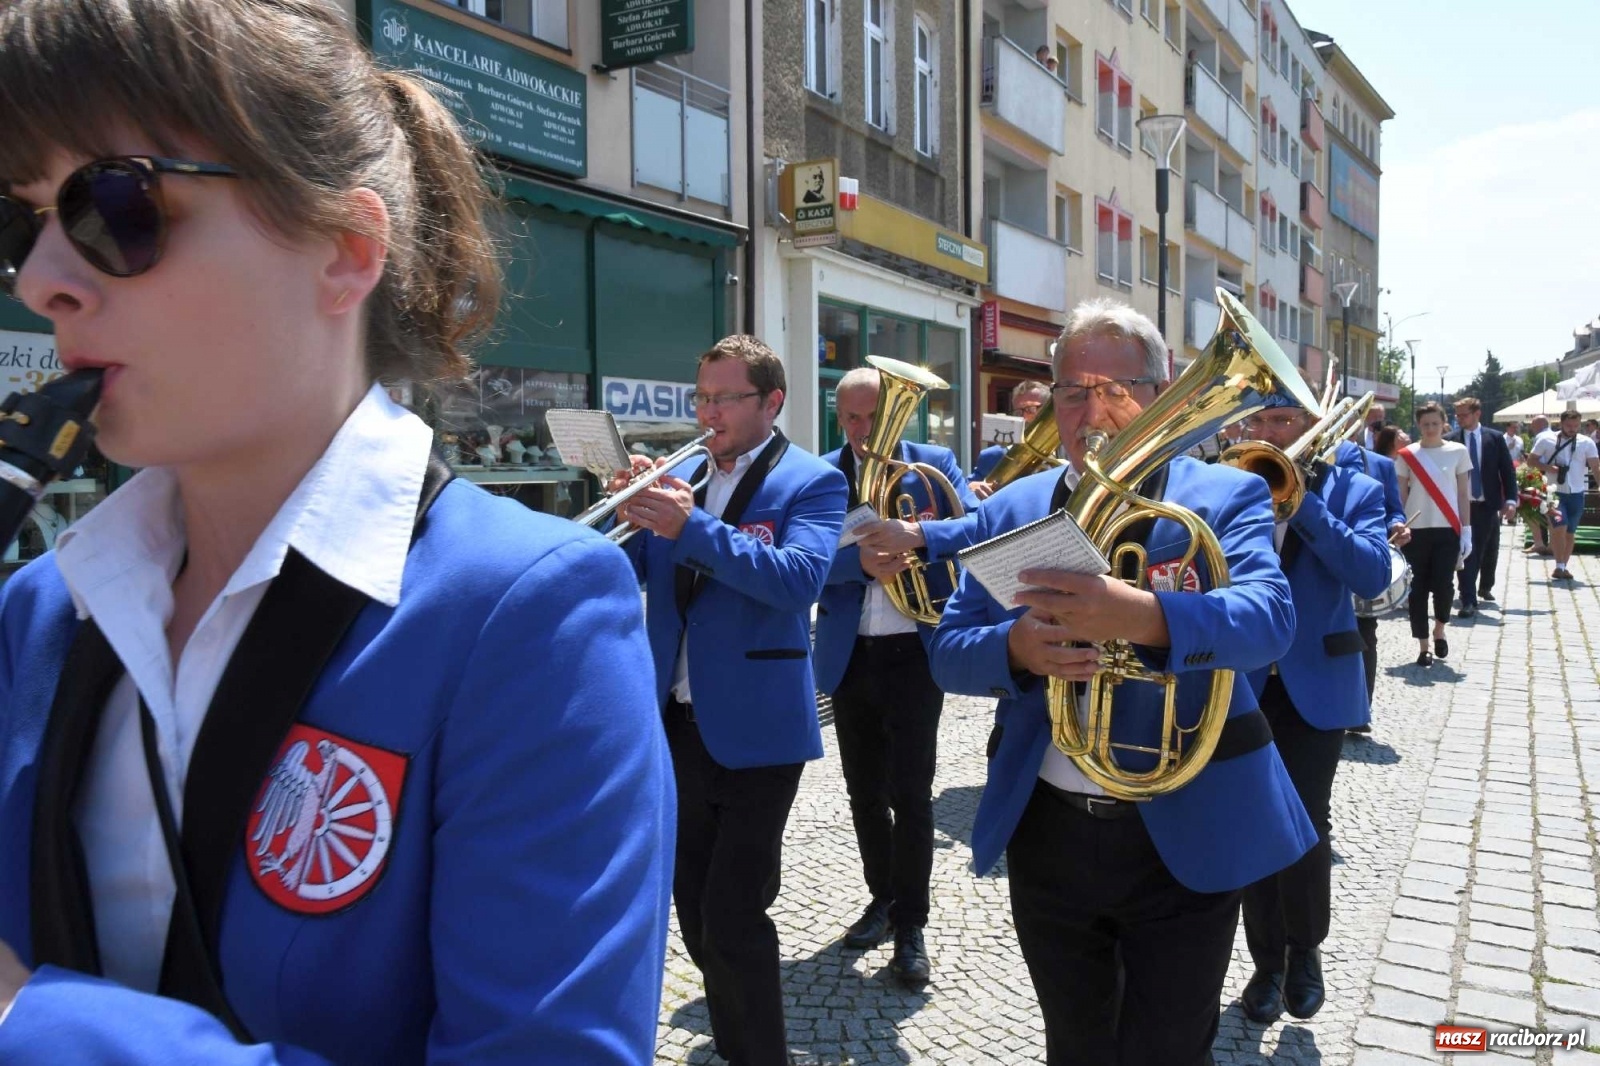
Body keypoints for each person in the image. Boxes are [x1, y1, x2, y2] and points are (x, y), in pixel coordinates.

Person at [0, 1, 673, 1063]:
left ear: (346, 250)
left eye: (112, 206)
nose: (41, 279)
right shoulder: (35, 611)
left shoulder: (530, 613)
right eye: (21, 219)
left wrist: (29, 1022)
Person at [930, 299, 1316, 1066]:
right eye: (1073, 390)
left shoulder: (1222, 494)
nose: (1093, 408)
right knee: (1073, 1042)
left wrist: (1141, 615)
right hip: (1052, 829)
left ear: (1163, 391)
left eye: (1117, 387)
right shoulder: (1012, 506)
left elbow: (1270, 621)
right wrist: (1014, 648)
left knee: (1169, 1047)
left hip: (1187, 818)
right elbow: (947, 648)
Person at [614, 335, 847, 1066]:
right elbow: (631, 569)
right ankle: (737, 1033)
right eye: (702, 397)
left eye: (724, 398)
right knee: (692, 905)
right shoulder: (684, 474)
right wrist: (629, 507)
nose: (707, 412)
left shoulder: (812, 481)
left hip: (759, 727)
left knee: (735, 913)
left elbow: (798, 580)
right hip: (674, 720)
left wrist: (692, 525)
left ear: (771, 403)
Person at [814, 368, 980, 986]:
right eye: (850, 418)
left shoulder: (934, 464)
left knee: (911, 794)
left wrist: (918, 533)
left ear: (898, 415)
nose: (862, 432)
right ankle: (881, 898)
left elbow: (976, 529)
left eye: (872, 416)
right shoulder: (821, 475)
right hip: (851, 653)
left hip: (916, 651)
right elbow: (803, 564)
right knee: (863, 792)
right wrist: (856, 564)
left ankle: (912, 924)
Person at [1237, 398, 1391, 1025]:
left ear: (1312, 428)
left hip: (1315, 681)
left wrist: (1304, 506)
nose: (1269, 434)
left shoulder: (1354, 485)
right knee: (1253, 819)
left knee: (1306, 822)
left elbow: (1372, 572)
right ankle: (1265, 962)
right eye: (1260, 423)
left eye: (1282, 423)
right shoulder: (1237, 483)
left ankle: (1306, 952)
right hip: (1245, 677)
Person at [1335, 431, 1409, 708]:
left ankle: (1361, 707)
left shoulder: (1382, 464)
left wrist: (1396, 526)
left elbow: (1394, 510)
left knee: (1365, 633)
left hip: (1359, 559)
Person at [1394, 402, 1471, 666]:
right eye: (1425, 424)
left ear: (1444, 423)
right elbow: (1400, 494)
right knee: (1416, 590)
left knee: (1444, 586)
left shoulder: (1458, 451)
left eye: (1435, 424)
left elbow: (1463, 493)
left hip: (1447, 528)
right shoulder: (1407, 455)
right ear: (1418, 425)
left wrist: (1467, 530)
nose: (1430, 428)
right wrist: (1398, 523)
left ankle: (1440, 628)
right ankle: (1423, 645)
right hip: (1415, 530)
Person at [1450, 398, 1518, 614]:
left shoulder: (1495, 438)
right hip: (1460, 505)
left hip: (1485, 504)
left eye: (1464, 415)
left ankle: (1471, 591)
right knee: (1465, 551)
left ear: (1477, 413)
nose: (1460, 419)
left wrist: (1510, 499)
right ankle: (1468, 598)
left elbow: (1507, 470)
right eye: (1457, 416)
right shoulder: (1450, 440)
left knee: (1478, 550)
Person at [1530, 408, 1600, 582]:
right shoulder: (1546, 439)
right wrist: (1549, 468)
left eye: (1576, 425)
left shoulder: (1586, 442)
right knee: (1559, 526)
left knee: (1570, 532)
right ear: (1561, 424)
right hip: (1553, 492)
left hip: (1577, 492)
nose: (1572, 429)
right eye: (1569, 425)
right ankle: (1559, 565)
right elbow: (1531, 461)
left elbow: (1596, 467)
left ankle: (1562, 567)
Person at [970, 379, 1050, 497]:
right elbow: (966, 492)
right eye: (1018, 412)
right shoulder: (993, 456)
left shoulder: (1070, 451)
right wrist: (972, 487)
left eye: (1030, 409)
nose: (1023, 418)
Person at [1525, 415, 1555, 556]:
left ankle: (1540, 543)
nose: (1531, 428)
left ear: (1539, 425)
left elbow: (1534, 461)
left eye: (1533, 425)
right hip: (1553, 478)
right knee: (1549, 511)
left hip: (1541, 477)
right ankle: (1551, 544)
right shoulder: (1555, 435)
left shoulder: (1541, 437)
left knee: (1533, 509)